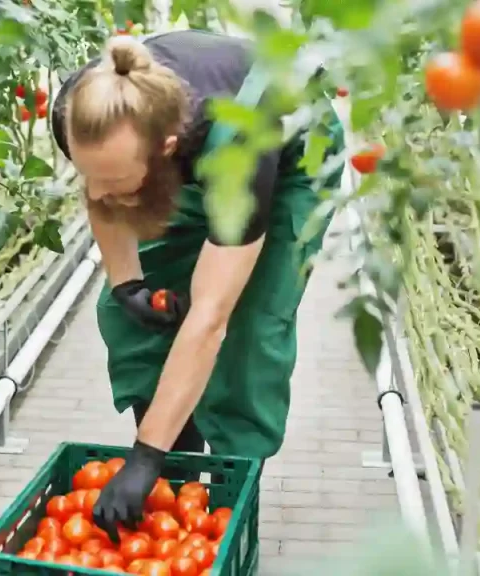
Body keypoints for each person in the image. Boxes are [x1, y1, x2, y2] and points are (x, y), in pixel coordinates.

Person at [50, 29, 345, 542]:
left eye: (115, 180)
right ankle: (175, 486)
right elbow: (101, 194)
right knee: (133, 320)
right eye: (90, 174)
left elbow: (210, 317)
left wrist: (143, 455)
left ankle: (229, 510)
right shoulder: (84, 109)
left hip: (291, 155)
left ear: (165, 151)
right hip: (187, 159)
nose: (96, 191)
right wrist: (127, 283)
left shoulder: (238, 149)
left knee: (249, 332)